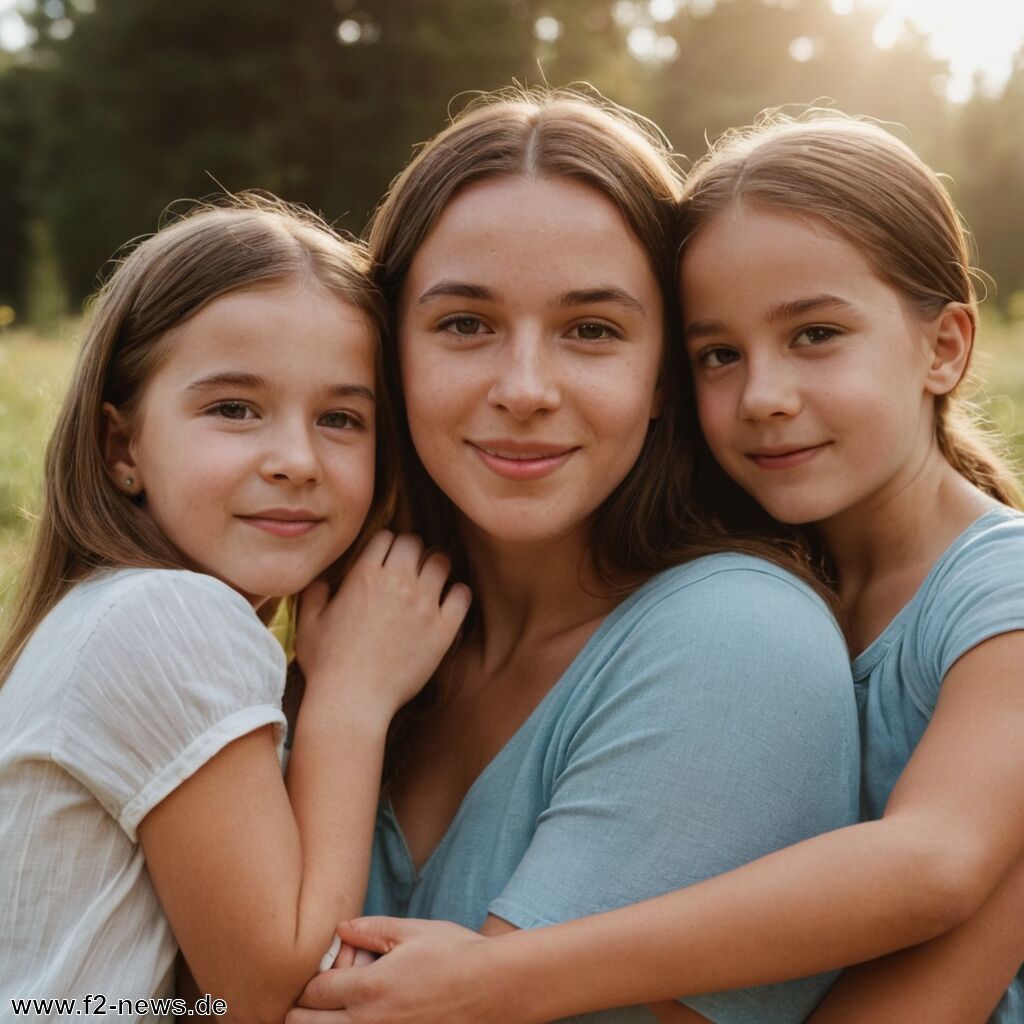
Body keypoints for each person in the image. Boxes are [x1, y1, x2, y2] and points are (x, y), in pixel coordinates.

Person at [288, 113, 1024, 1024]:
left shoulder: (979, 590)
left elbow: (938, 865)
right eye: (719, 354)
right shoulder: (359, 623)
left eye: (817, 335)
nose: (763, 397)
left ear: (945, 346)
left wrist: (496, 977)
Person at [0, 197, 470, 1024]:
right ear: (122, 448)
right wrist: (351, 698)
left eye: (340, 418)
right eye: (233, 409)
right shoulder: (165, 617)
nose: (295, 459)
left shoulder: (112, 611)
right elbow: (257, 997)